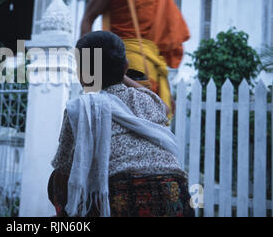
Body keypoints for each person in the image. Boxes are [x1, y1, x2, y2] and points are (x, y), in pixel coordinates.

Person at [50, 31, 194, 217]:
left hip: (122, 196)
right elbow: (165, 108)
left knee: (56, 181)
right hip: (174, 193)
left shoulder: (80, 108)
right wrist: (120, 74)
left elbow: (62, 166)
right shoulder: (145, 100)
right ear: (125, 67)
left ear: (83, 74)